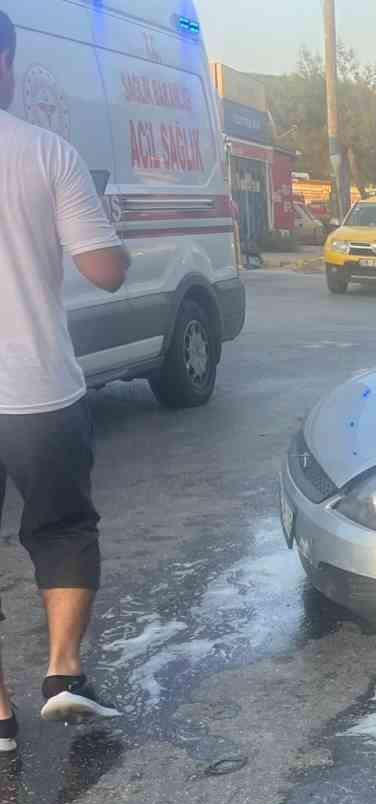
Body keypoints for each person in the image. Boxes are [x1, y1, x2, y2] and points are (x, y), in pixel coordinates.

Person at [0, 8, 130, 747]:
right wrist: (120, 243)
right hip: (37, 392)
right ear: (6, 62)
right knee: (63, 529)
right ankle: (61, 674)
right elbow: (103, 272)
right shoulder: (48, 153)